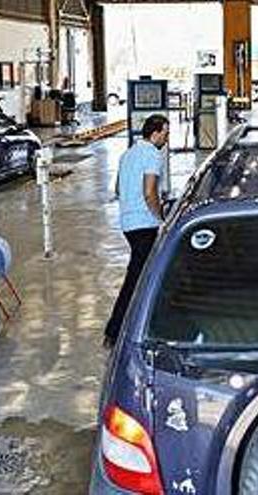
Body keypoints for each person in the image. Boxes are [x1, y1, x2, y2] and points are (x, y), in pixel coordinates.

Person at [104, 114, 169, 348]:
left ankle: (129, 326)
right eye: (165, 133)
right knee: (138, 278)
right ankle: (116, 329)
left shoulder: (128, 154)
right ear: (155, 133)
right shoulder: (152, 154)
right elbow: (149, 191)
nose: (166, 138)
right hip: (145, 224)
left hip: (128, 223)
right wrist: (161, 216)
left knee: (144, 275)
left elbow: (119, 188)